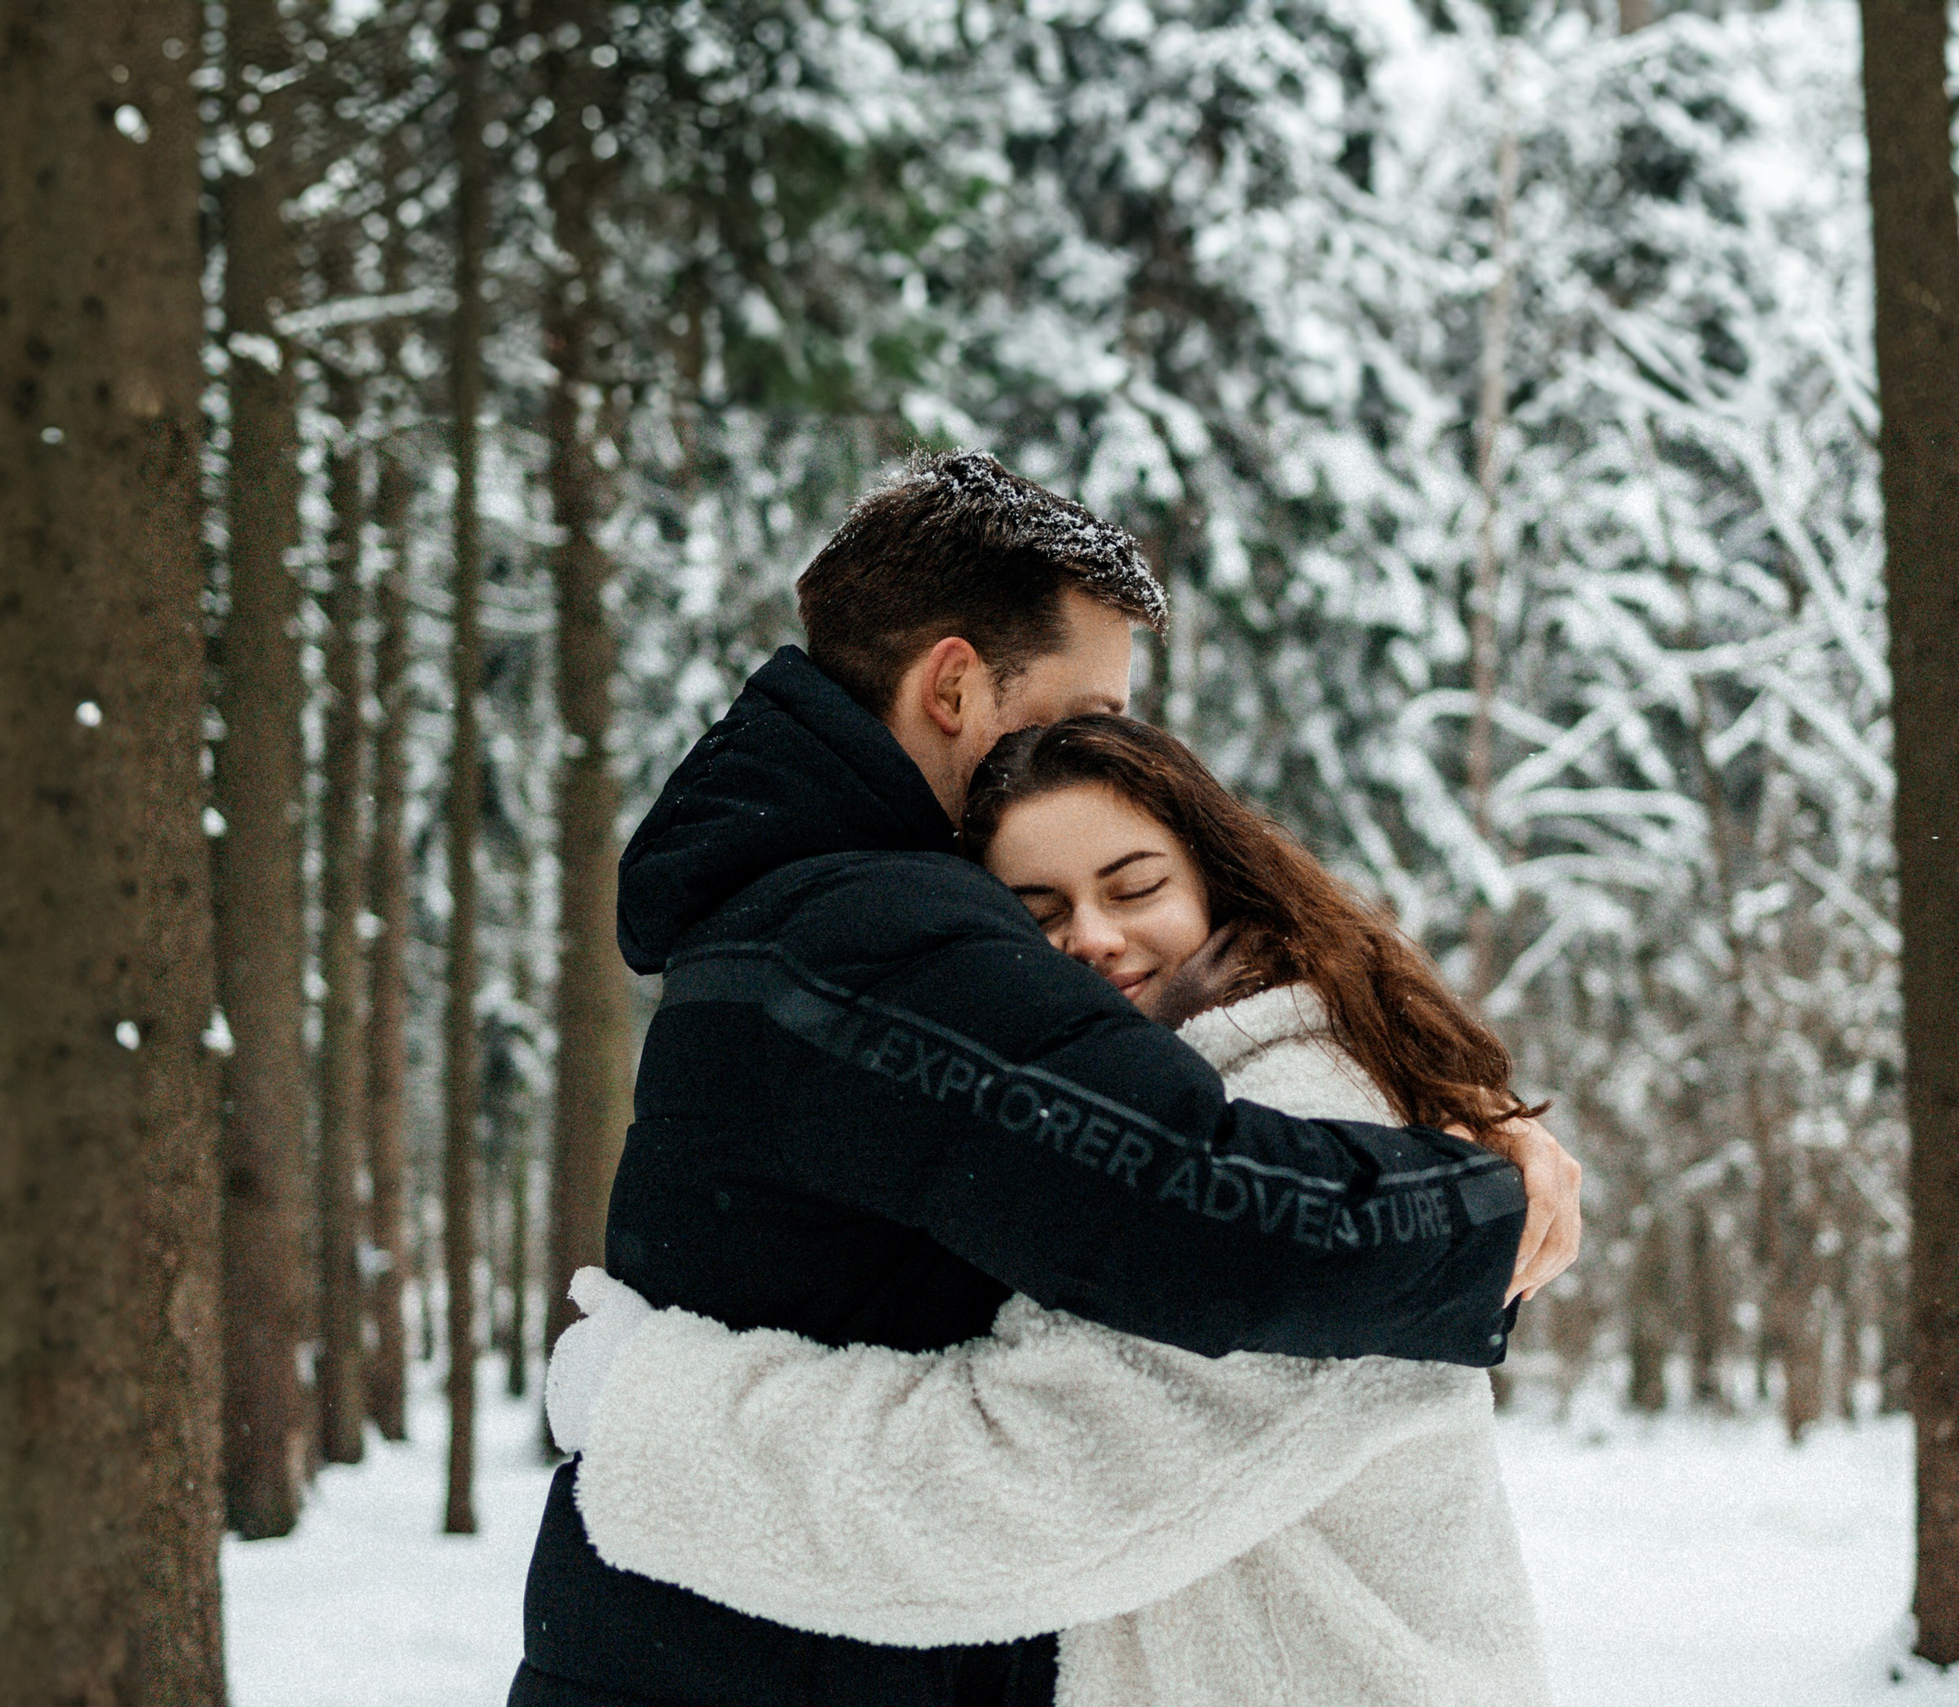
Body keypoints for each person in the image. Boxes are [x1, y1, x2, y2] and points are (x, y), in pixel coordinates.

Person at [508, 451, 1582, 1707]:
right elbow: (1196, 1207)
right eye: (1089, 707)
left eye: (1131, 882)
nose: (1101, 746)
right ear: (955, 685)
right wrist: (1479, 1204)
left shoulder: (799, 915)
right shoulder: (885, 931)